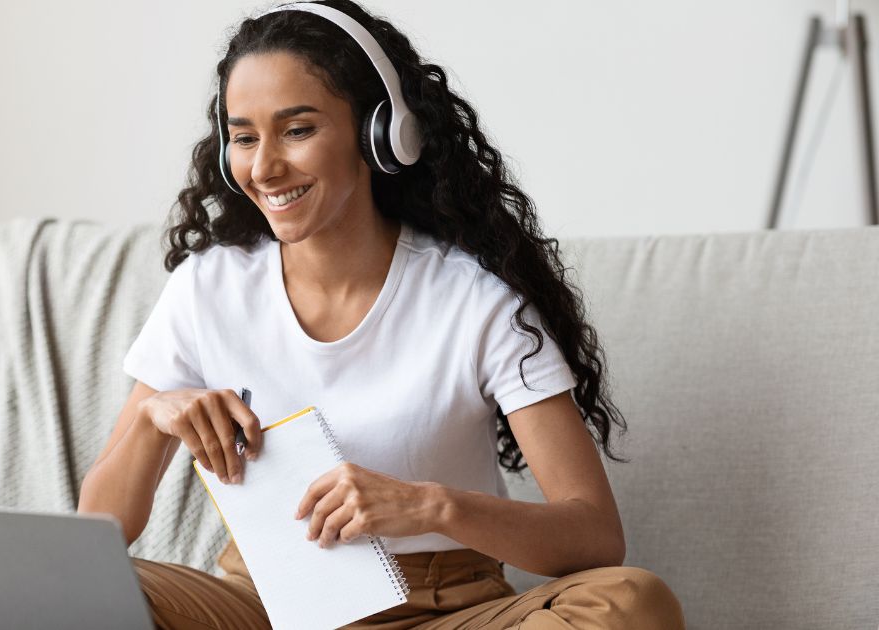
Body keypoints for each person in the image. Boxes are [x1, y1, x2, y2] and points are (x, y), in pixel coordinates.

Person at [77, 1, 685, 627]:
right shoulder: (208, 287)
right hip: (258, 604)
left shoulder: (473, 301)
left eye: (298, 130)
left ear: (381, 135)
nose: (264, 167)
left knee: (629, 604)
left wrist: (428, 507)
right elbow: (98, 532)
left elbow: (595, 536)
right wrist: (155, 416)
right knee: (74, 591)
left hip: (443, 610)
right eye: (244, 136)